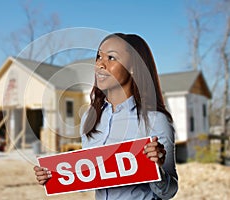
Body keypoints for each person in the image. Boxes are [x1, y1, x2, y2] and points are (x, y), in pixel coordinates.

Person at [34, 33, 178, 199]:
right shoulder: (90, 118)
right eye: (98, 56)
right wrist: (53, 175)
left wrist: (156, 169)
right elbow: (90, 175)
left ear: (133, 67)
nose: (100, 64)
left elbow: (170, 192)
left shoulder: (156, 120)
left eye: (111, 58)